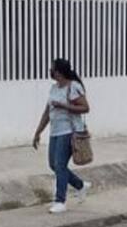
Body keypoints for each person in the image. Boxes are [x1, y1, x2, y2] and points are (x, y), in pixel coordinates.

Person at [32, 58, 91, 214]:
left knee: (59, 165)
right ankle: (80, 185)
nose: (50, 71)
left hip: (69, 131)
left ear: (59, 72)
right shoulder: (54, 88)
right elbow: (47, 112)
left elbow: (85, 107)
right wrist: (38, 132)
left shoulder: (73, 87)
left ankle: (60, 201)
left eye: (52, 69)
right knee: (54, 164)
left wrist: (64, 106)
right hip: (55, 131)